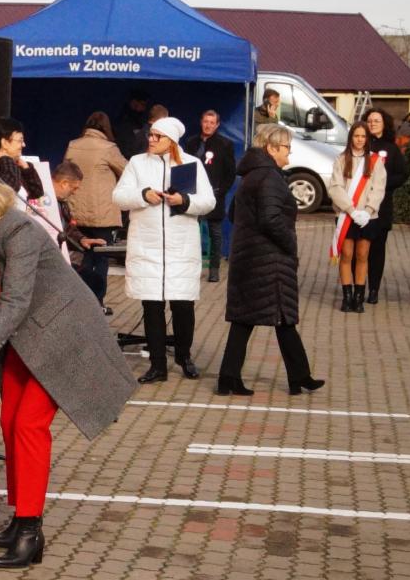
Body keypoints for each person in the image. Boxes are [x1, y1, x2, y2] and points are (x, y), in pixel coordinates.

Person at [0, 166, 135, 569]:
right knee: (10, 421)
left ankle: (31, 532)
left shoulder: (18, 231)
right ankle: (21, 516)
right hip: (20, 336)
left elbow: (14, 303)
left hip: (60, 333)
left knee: (29, 426)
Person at [219, 124, 324, 397]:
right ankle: (296, 377)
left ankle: (294, 376)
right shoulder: (268, 177)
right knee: (276, 317)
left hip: (250, 258)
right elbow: (271, 219)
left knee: (260, 320)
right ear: (271, 148)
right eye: (286, 147)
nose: (289, 152)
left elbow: (234, 214)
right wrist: (290, 244)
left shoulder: (252, 175)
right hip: (268, 260)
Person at [114, 115, 218, 382]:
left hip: (180, 249)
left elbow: (209, 201)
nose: (150, 139)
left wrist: (184, 200)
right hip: (147, 247)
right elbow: (119, 196)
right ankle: (157, 365)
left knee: (183, 306)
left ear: (170, 140)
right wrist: (143, 195)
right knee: (152, 307)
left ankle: (184, 356)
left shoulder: (191, 164)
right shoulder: (137, 163)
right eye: (150, 134)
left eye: (156, 136)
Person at [64, 113, 128, 309]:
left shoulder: (73, 145)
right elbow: (127, 170)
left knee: (80, 258)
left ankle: (78, 301)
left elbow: (66, 170)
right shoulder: (109, 148)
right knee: (100, 258)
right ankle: (97, 302)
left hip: (75, 211)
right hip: (102, 214)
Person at [327, 122, 389, 313]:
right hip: (347, 215)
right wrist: (351, 210)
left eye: (363, 136)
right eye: (356, 136)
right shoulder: (341, 159)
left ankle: (359, 297)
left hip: (367, 217)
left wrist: (368, 211)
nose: (360, 140)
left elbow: (379, 188)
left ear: (367, 138)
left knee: (362, 255)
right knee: (347, 255)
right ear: (351, 138)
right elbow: (335, 187)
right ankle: (347, 297)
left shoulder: (375, 161)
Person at [359, 108, 408, 305]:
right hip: (359, 206)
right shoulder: (360, 144)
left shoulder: (392, 148)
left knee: (377, 251)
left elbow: (402, 174)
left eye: (376, 121)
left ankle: (374, 289)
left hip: (382, 207)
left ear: (384, 124)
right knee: (359, 250)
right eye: (369, 120)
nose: (372, 124)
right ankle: (358, 287)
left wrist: (381, 185)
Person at [187, 108, 238, 283]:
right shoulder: (191, 143)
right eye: (205, 122)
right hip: (193, 196)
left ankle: (214, 269)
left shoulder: (225, 144)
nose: (208, 125)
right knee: (192, 233)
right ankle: (192, 268)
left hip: (215, 196)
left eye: (212, 123)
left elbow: (230, 173)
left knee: (215, 234)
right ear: (201, 122)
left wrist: (220, 192)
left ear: (217, 125)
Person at [116, 89, 157, 159]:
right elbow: (126, 148)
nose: (144, 108)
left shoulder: (138, 120)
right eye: (142, 104)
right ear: (134, 103)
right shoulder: (124, 122)